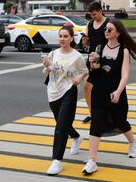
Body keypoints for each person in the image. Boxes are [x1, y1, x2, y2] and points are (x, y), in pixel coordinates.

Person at [83, 19, 136, 175]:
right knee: (96, 123)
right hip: (99, 92)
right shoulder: (100, 48)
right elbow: (96, 72)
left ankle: (133, 142)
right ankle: (92, 161)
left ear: (118, 33)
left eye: (110, 30)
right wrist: (92, 63)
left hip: (116, 92)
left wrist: (118, 92)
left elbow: (125, 75)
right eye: (106, 29)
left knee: (120, 121)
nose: (106, 32)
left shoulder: (123, 50)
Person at [43, 25, 89, 176]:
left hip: (69, 91)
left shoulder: (76, 56)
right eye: (60, 36)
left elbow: (84, 71)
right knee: (61, 122)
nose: (62, 39)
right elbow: (46, 73)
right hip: (53, 91)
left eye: (65, 36)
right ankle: (76, 137)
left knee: (61, 126)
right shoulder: (53, 54)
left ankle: (57, 161)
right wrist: (46, 67)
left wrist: (79, 77)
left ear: (71, 38)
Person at [81, 2, 109, 124]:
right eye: (91, 15)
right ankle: (91, 113)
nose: (93, 17)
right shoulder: (90, 24)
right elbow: (86, 44)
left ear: (100, 10)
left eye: (94, 14)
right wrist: (85, 41)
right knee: (87, 86)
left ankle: (105, 113)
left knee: (103, 88)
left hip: (104, 60)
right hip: (92, 59)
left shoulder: (108, 23)